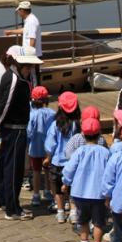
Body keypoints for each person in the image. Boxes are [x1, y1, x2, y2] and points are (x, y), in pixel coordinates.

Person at [0, 46, 42, 221]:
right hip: (15, 129)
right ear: (20, 65)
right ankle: (12, 209)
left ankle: (3, 201)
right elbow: (4, 103)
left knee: (5, 164)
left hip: (10, 129)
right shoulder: (14, 79)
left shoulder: (11, 76)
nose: (30, 70)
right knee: (14, 169)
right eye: (28, 67)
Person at [63, 117, 111, 242]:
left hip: (80, 193)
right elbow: (110, 172)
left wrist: (66, 182)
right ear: (99, 133)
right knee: (98, 222)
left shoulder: (79, 151)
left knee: (82, 220)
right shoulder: (105, 152)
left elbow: (69, 169)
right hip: (99, 194)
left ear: (83, 134)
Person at [44, 91, 81, 223]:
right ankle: (73, 212)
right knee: (72, 189)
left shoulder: (55, 125)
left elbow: (50, 144)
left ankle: (60, 213)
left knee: (57, 188)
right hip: (73, 164)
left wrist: (48, 157)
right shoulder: (77, 125)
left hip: (57, 162)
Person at [26, 85, 55, 207]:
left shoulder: (32, 114)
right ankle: (48, 192)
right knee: (48, 171)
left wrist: (27, 144)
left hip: (35, 147)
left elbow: (29, 132)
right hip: (49, 148)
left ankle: (36, 195)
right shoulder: (52, 113)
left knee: (36, 171)